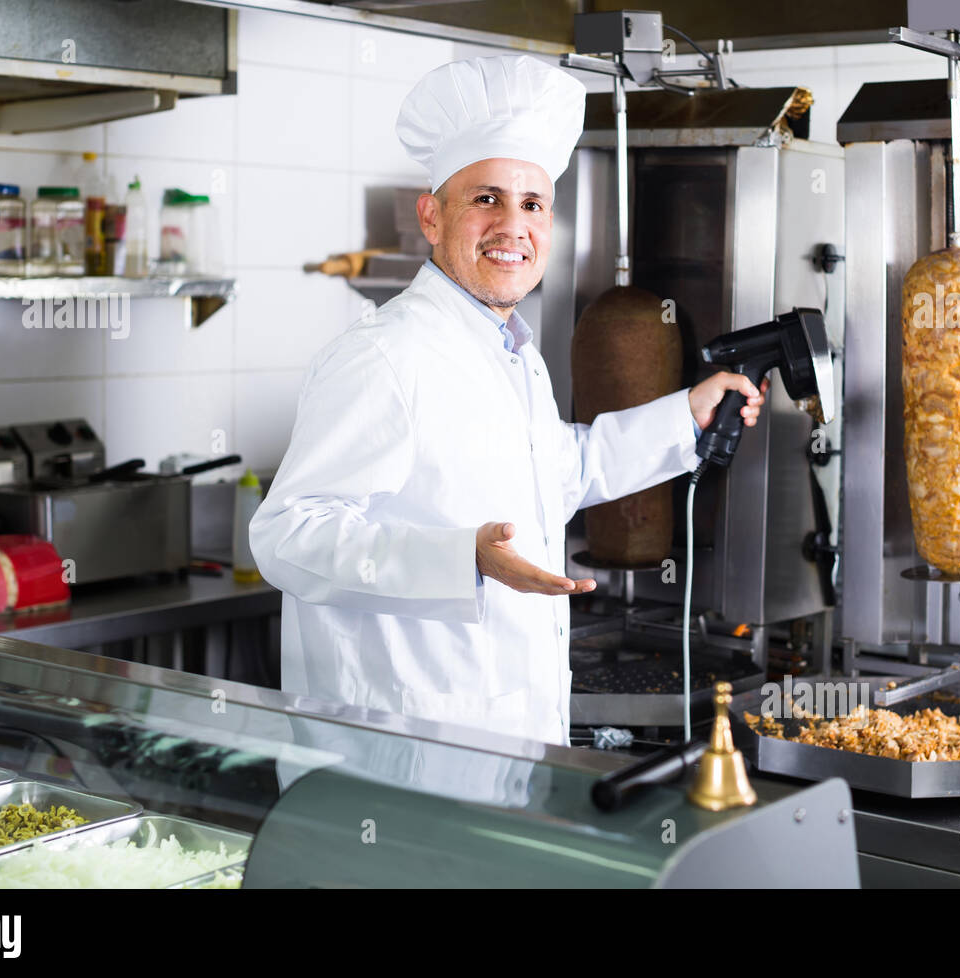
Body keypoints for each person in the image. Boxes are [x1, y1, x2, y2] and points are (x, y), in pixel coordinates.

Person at [250, 55, 766, 746]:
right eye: (486, 198)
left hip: (503, 739)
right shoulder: (385, 356)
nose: (512, 226)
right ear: (431, 217)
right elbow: (289, 536)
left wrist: (685, 415)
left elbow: (556, 473)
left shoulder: (511, 351)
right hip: (399, 755)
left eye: (532, 204)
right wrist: (460, 558)